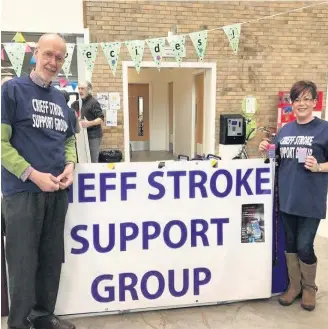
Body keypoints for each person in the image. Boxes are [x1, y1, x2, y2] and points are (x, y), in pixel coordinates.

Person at [1, 34, 77, 329]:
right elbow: (1, 144)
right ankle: (19, 324)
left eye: (59, 58)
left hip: (57, 192)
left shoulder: (61, 99)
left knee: (49, 259)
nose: (53, 62)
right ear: (34, 54)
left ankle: (43, 316)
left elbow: (68, 139)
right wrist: (32, 174)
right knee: (22, 264)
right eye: (48, 55)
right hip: (22, 193)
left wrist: (70, 165)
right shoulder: (12, 92)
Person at [259, 80, 328, 311]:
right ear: (291, 103)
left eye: (307, 98)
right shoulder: (286, 130)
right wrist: (266, 148)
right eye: (297, 99)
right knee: (289, 245)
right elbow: (276, 157)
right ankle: (294, 286)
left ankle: (309, 288)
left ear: (315, 102)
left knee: (304, 245)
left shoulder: (324, 129)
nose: (302, 103)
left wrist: (319, 166)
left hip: (310, 199)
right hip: (286, 197)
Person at [78, 81, 104, 163]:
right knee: (88, 160)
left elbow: (101, 118)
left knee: (93, 161)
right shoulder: (84, 102)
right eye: (79, 88)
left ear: (88, 90)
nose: (80, 91)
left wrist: (89, 123)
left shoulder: (93, 102)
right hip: (86, 135)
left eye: (82, 88)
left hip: (94, 136)